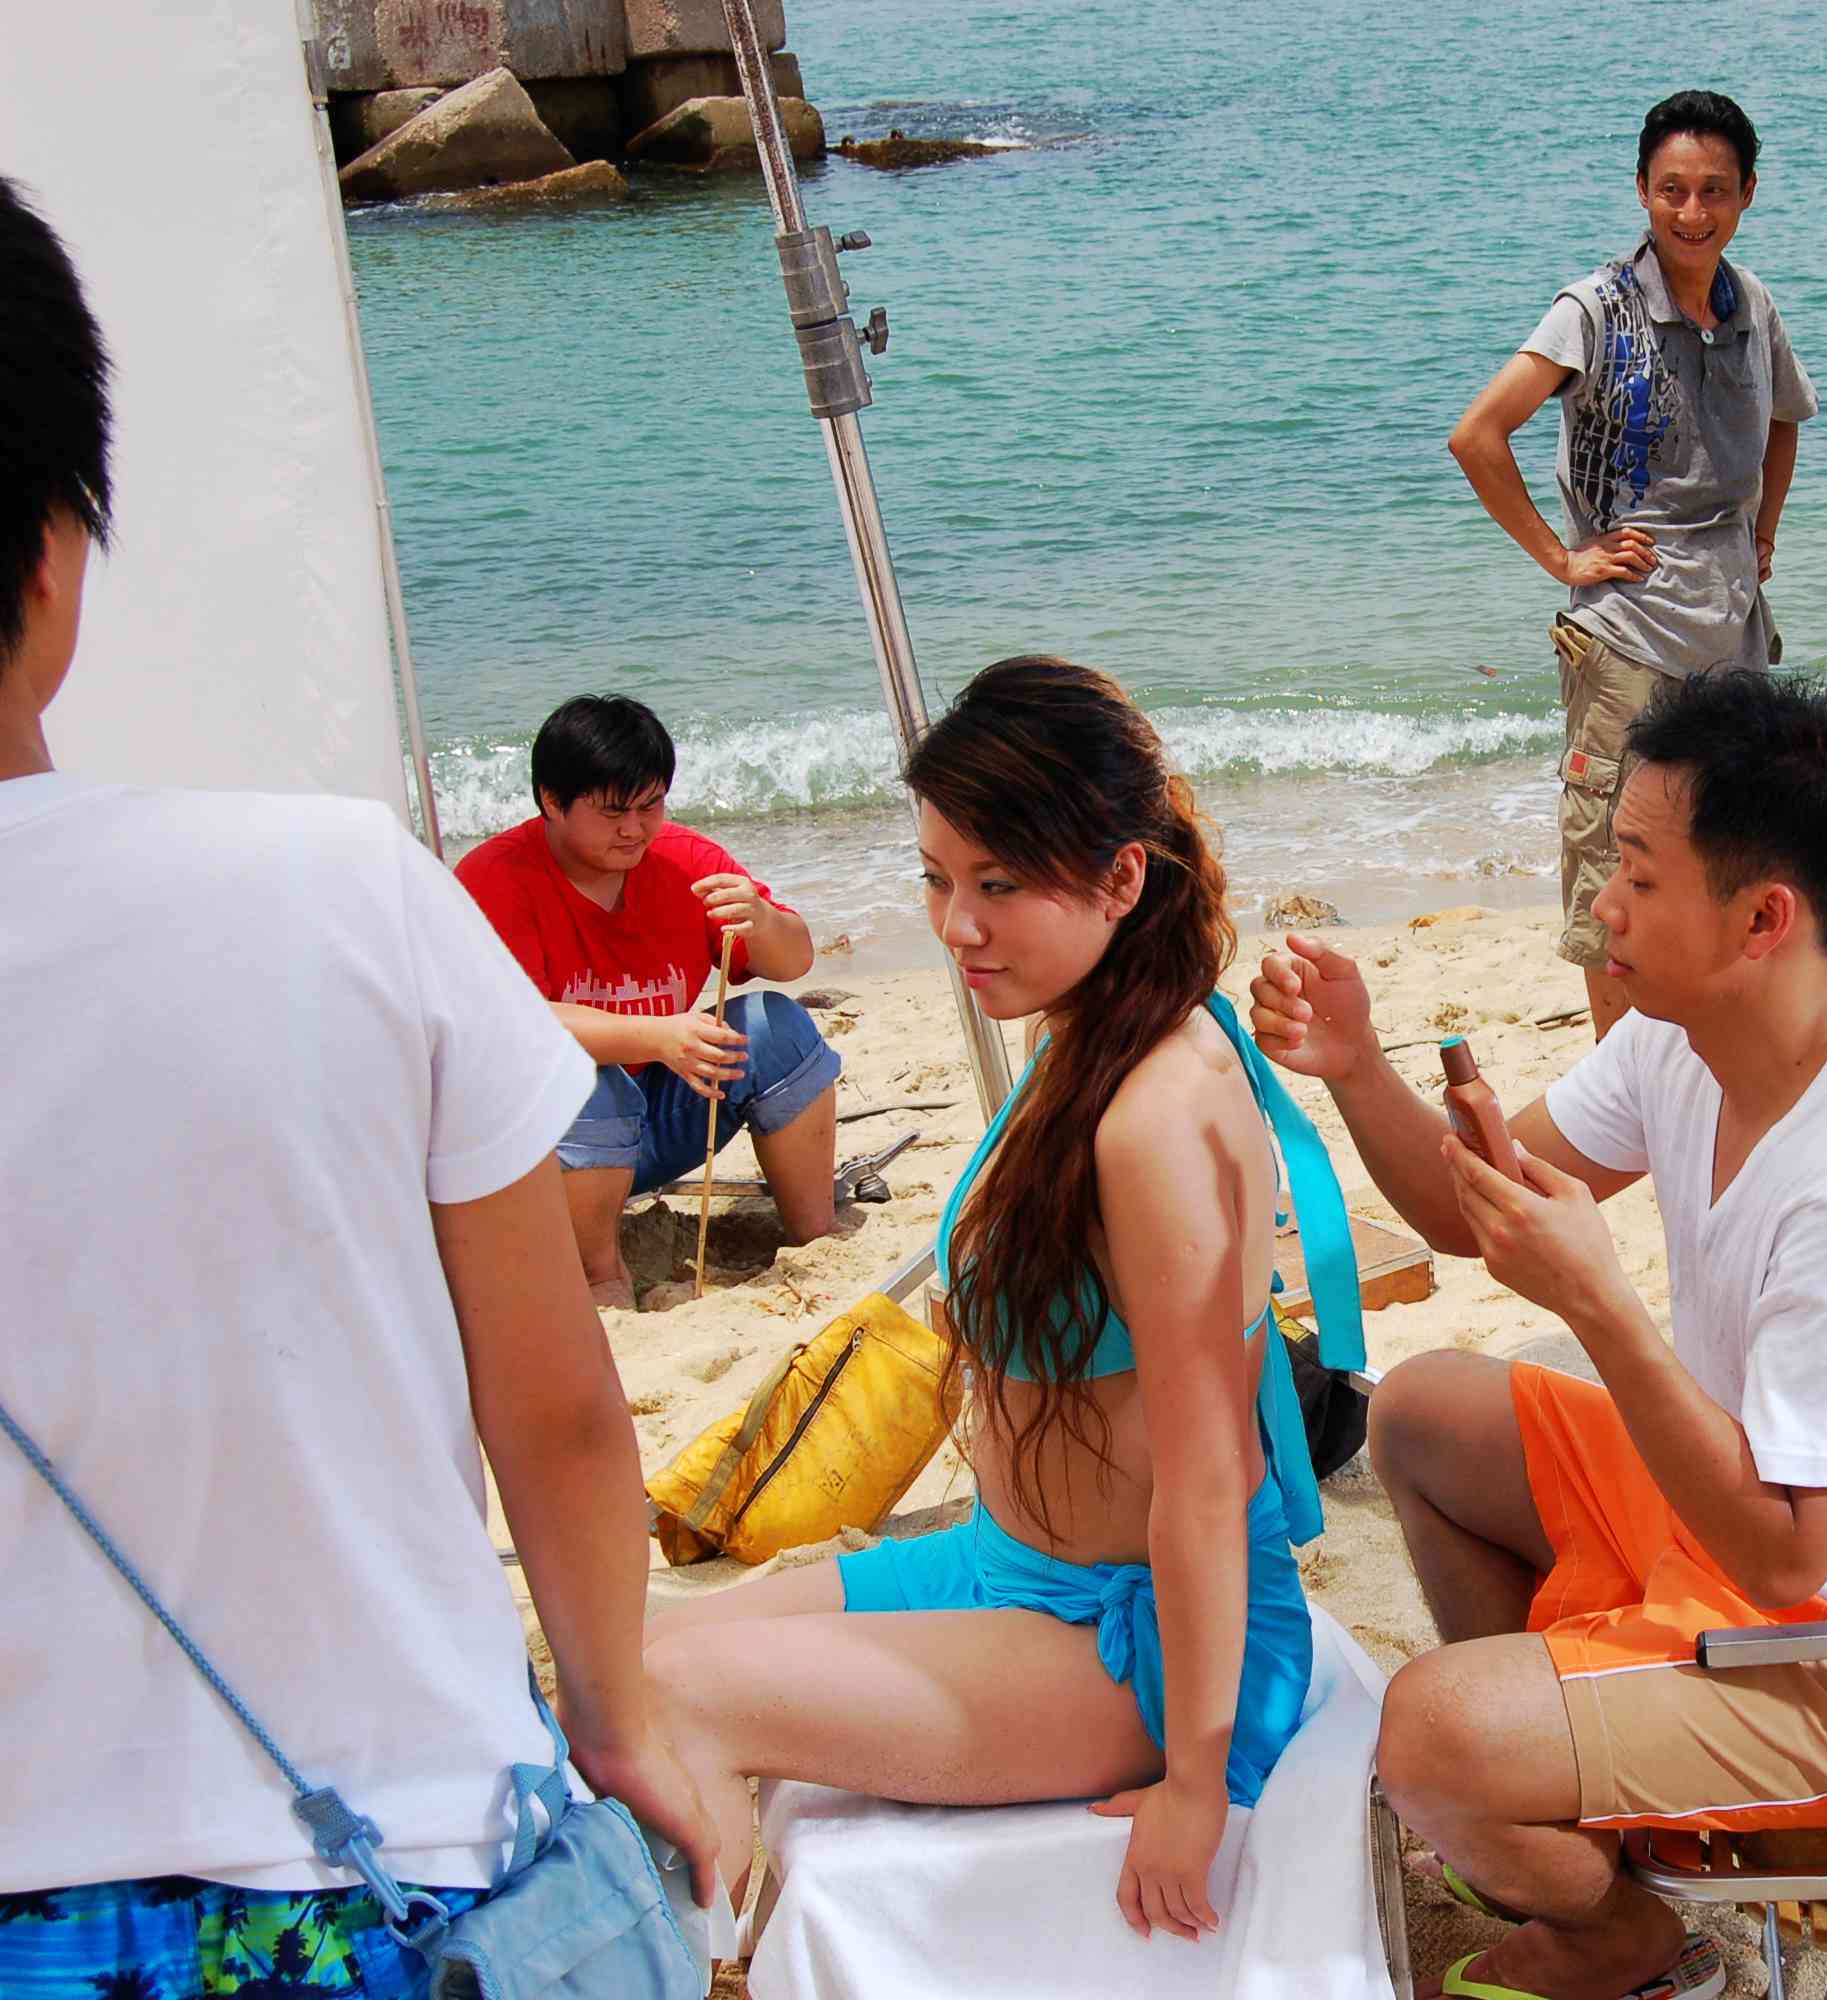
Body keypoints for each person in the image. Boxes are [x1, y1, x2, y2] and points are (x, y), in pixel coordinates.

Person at [0, 176, 715, 1997]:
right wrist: (617, 1720)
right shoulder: (338, 887)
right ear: (55, 554)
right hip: (386, 1884)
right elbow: (554, 1411)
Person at [1251, 672, 1827, 2000]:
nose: (1603, 905)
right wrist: (1356, 1065)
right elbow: (1468, 1211)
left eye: (1636, 874)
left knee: (1428, 1737)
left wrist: (1598, 1304)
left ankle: (1618, 1933)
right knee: (1424, 1409)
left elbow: (1790, 1558)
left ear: (1761, 918)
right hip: (1759, 1545)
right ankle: (1566, 1804)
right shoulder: (1687, 1039)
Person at [645, 657, 1334, 1940]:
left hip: (1134, 1643)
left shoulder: (1150, 1115)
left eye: (999, 882)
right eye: (936, 877)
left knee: (673, 1694)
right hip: (1008, 1564)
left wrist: (1196, 1783)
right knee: (633, 1660)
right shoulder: (1081, 1022)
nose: (957, 923)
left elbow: (1206, 1473)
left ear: (1121, 877)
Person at [1448, 89, 1817, 1043]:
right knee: (1612, 864)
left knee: (1729, 852)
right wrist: (1561, 558)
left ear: (1748, 193)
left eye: (1714, 191)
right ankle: (1624, 1073)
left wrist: (1764, 531)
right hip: (1626, 639)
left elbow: (1786, 419)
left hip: (1732, 633)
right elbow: (1478, 435)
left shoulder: (1753, 304)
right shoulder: (1594, 308)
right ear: (1642, 191)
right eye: (1672, 190)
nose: (1693, 212)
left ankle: (1709, 1046)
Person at [453, 695, 842, 1307]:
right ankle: (600, 1278)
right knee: (585, 1076)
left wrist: (763, 919)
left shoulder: (684, 860)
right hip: (546, 1147)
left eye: (650, 806)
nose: (634, 829)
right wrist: (658, 1037)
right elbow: (509, 1027)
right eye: (612, 812)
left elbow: (793, 962)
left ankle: (815, 1235)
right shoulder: (494, 878)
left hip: (662, 1118)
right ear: (551, 800)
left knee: (777, 1028)